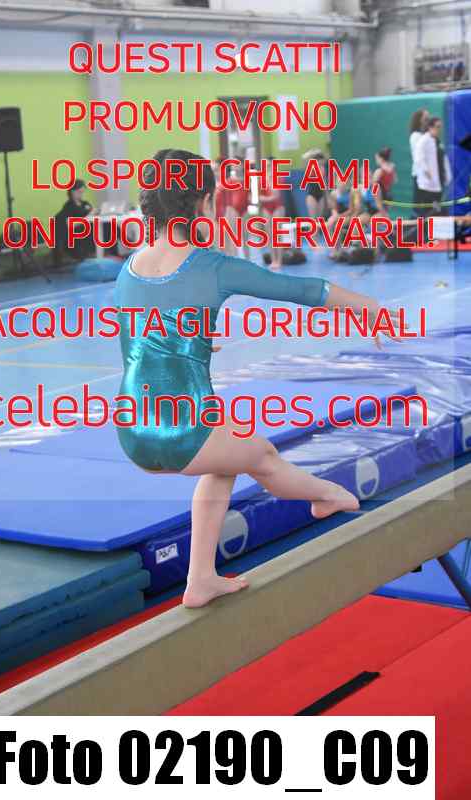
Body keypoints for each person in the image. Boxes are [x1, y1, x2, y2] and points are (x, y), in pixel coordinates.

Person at [113, 149, 403, 609]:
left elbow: (141, 343)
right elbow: (302, 290)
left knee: (226, 461)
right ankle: (329, 495)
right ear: (203, 202)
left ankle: (200, 578)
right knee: (262, 455)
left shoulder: (128, 269)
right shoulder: (212, 265)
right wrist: (370, 307)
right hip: (181, 430)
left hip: (131, 428)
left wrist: (195, 342)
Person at [415, 116, 452, 216]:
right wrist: (426, 171)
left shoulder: (438, 142)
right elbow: (419, 158)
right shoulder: (423, 140)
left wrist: (448, 176)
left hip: (438, 182)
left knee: (437, 208)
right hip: (427, 185)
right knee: (428, 210)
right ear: (430, 127)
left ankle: (435, 223)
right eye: (437, 126)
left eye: (440, 127)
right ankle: (426, 224)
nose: (439, 129)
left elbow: (444, 160)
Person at [55, 179, 98, 262]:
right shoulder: (69, 206)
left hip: (90, 228)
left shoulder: (85, 203)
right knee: (93, 229)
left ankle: (116, 251)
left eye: (82, 192)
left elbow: (92, 214)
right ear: (72, 192)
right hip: (77, 232)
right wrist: (88, 217)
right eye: (79, 192)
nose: (81, 194)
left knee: (109, 225)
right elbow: (70, 225)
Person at [259, 159, 286, 270]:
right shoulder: (262, 180)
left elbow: (277, 194)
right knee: (269, 235)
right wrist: (268, 198)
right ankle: (273, 260)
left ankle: (279, 260)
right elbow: (259, 197)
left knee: (277, 234)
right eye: (266, 165)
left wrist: (271, 179)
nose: (268, 167)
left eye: (270, 165)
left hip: (278, 207)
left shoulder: (279, 177)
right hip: (267, 208)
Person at [409, 108, 429, 215]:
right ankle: (414, 221)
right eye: (425, 118)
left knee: (427, 201)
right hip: (419, 174)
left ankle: (426, 220)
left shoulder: (426, 135)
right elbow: (419, 157)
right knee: (418, 201)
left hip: (429, 175)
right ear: (419, 119)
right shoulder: (415, 136)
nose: (427, 120)